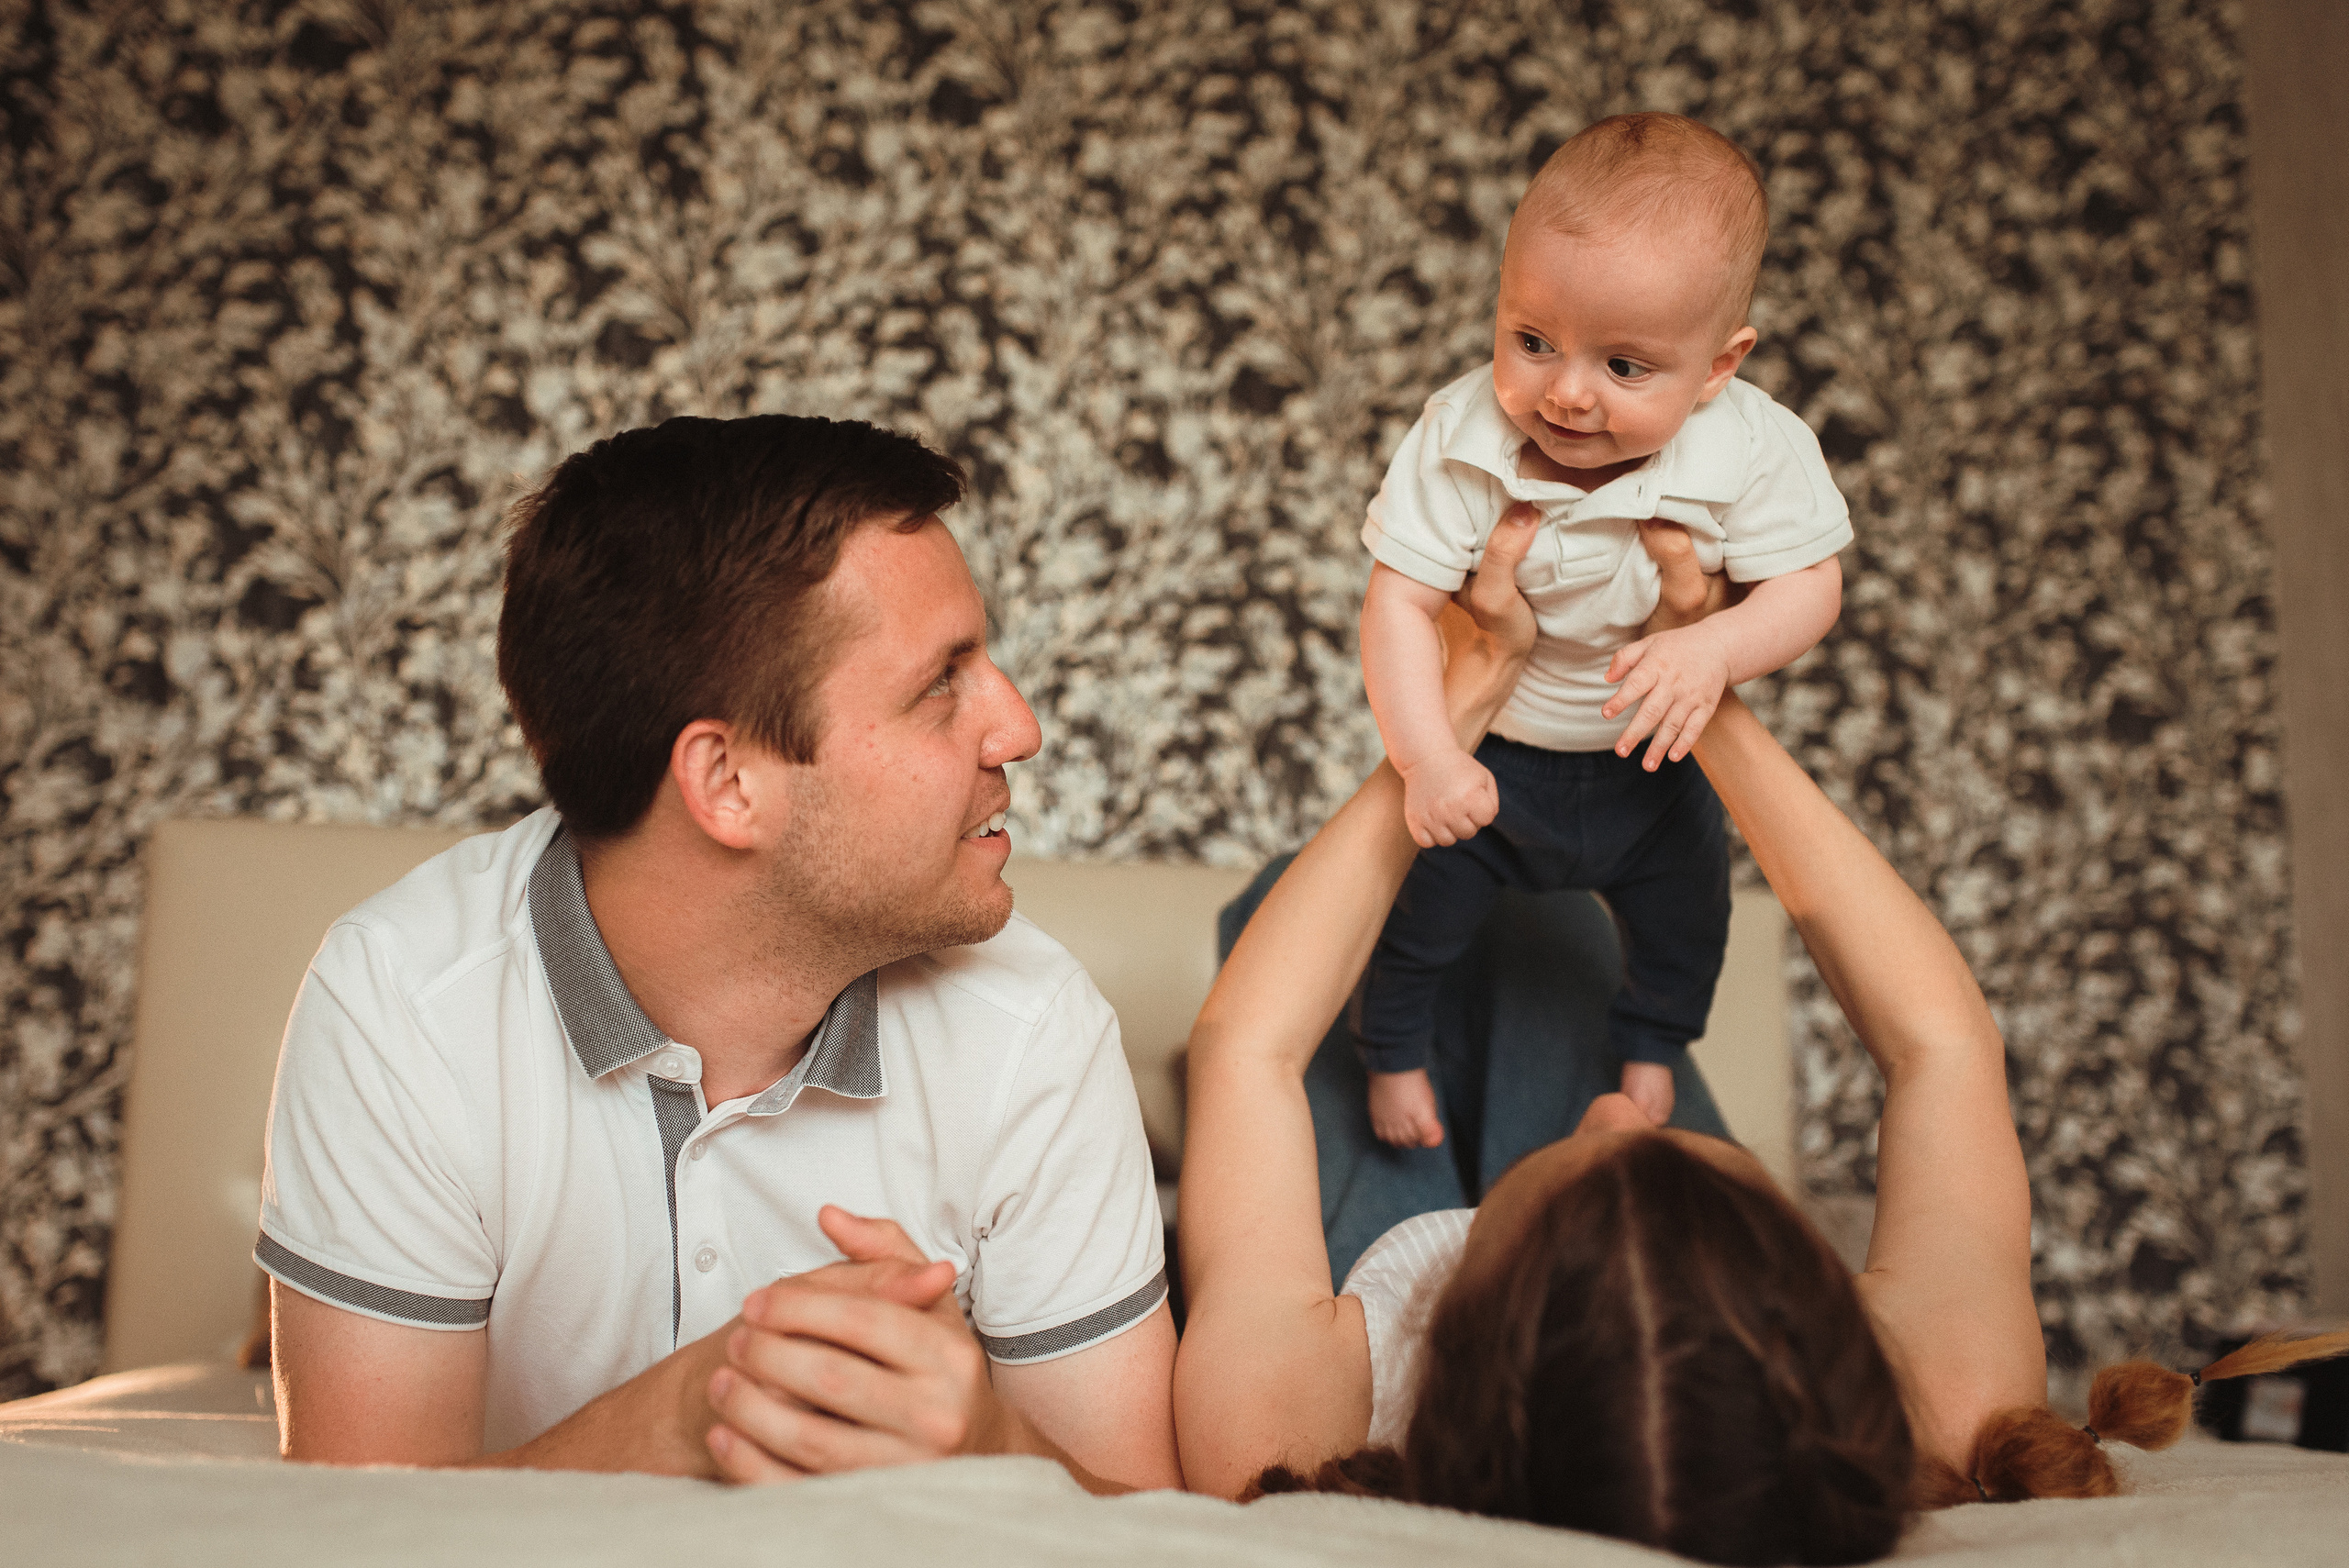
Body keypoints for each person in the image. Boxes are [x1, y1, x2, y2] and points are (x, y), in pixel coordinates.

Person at [1175, 516, 2347, 1559]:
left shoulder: (1291, 1423)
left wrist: (1467, 699)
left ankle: (1433, 952)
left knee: (1305, 914)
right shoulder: (1930, 1400)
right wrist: (1700, 688)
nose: (1612, 1103)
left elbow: (1250, 1046)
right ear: (1820, 1299)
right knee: (1553, 936)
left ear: (1459, 1319)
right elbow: (1940, 1041)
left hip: (1386, 1311)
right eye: (1666, 1135)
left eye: (1573, 1145)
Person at [256, 415, 1179, 1492]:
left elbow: (1145, 1530)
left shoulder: (1034, 1028)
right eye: (941, 681)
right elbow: (353, 1538)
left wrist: (992, 1443)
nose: (1016, 726)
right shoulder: (402, 1003)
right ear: (727, 782)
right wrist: (685, 1418)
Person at [1353, 112, 1849, 1150]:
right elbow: (1396, 601)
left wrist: (1711, 646)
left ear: (1718, 368)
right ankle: (1392, 1049)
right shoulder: (1459, 437)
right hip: (1501, 753)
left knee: (1686, 922)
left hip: (1650, 758)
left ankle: (1652, 1044)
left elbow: (1809, 586)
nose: (1566, 392)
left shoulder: (1750, 448)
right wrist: (1427, 754)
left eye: (1625, 367)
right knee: (1417, 916)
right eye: (1530, 341)